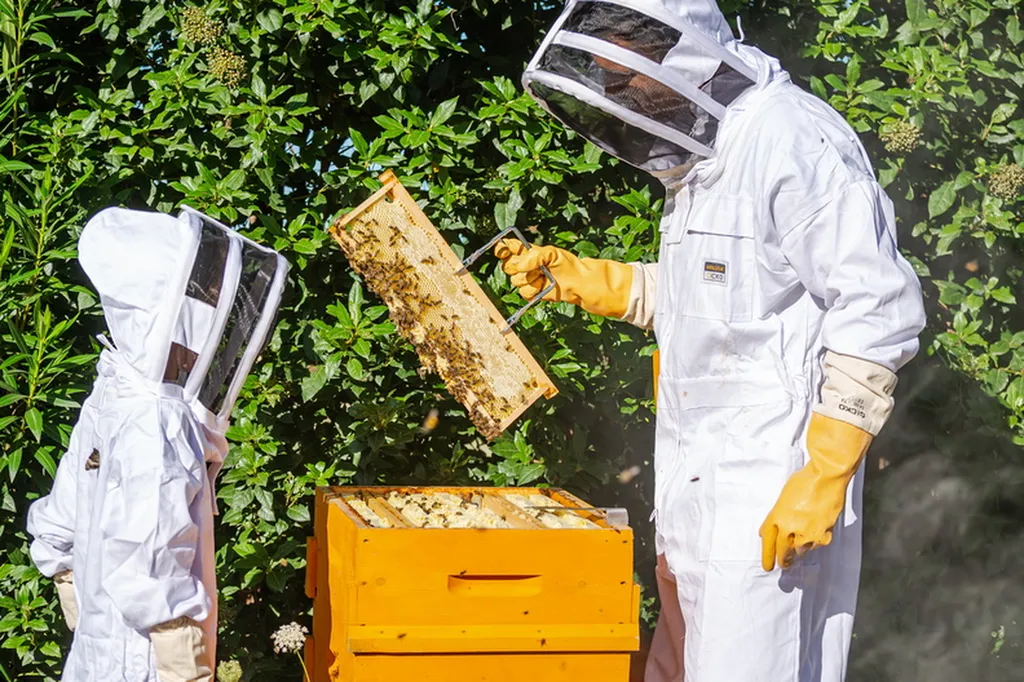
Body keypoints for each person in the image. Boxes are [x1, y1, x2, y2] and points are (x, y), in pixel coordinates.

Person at [494, 1, 927, 680]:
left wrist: (824, 473)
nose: (617, 97)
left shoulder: (792, 137)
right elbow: (718, 301)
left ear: (680, 55)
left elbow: (877, 306)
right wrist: (589, 280)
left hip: (772, 489)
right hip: (695, 488)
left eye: (623, 76)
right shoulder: (703, 163)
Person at [27, 206, 288, 681]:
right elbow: (151, 547)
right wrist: (183, 660)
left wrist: (67, 574)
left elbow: (65, 506)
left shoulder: (113, 387)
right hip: (142, 655)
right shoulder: (156, 418)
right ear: (158, 310)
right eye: (197, 297)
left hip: (101, 641)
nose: (206, 316)